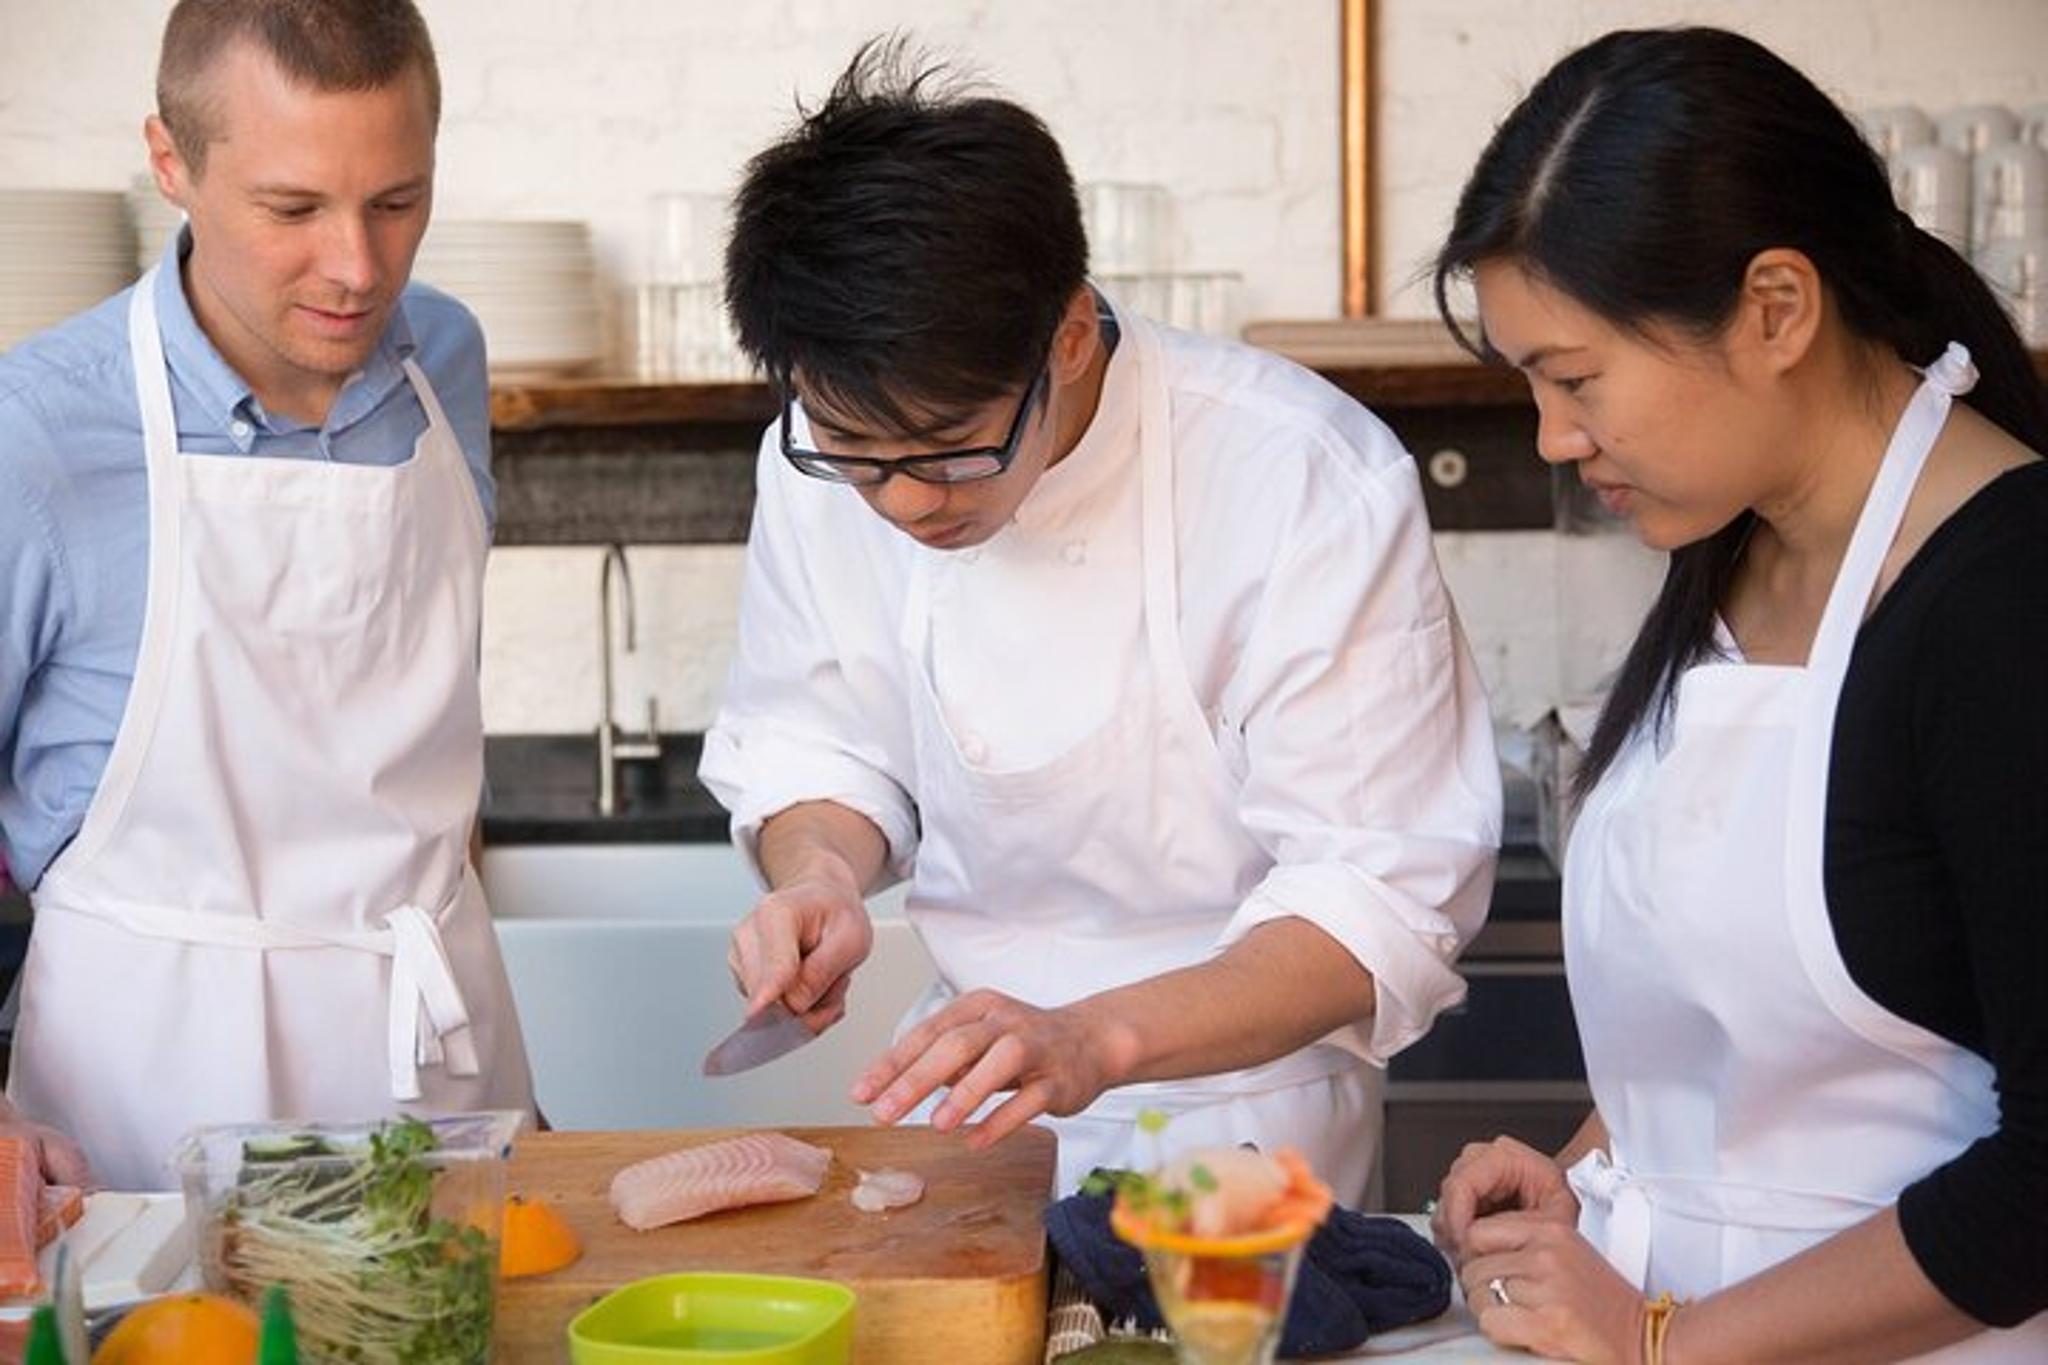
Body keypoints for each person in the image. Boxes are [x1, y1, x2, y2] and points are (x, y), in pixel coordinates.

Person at [701, 41, 1501, 1199]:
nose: (908, 500)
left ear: (1068, 336)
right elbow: (816, 738)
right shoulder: (818, 458)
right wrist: (818, 872)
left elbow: (1378, 896)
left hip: (1247, 1133)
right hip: (967, 1109)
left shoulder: (1299, 474)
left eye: (947, 450)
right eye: (858, 459)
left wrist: (1092, 1037)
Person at [1426, 26, 2048, 1363]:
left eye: (1577, 378)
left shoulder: (2008, 605)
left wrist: (1664, 1333)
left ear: (1777, 307)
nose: (1553, 436)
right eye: (1530, 383)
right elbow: (1759, 1042)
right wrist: (1608, 1170)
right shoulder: (1734, 542)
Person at [0, 0, 535, 1192]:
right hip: (143, 1114)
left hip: (444, 1083)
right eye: (292, 209)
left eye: (397, 202)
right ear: (170, 165)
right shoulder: (33, 435)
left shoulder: (443, 356)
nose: (357, 268)